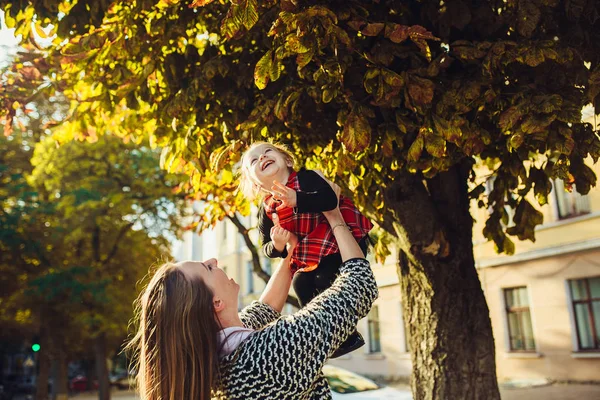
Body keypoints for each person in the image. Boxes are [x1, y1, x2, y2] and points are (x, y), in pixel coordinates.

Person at [127, 177, 378, 400]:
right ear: (215, 303)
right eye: (207, 268)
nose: (213, 260)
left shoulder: (215, 355)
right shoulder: (272, 353)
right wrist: (335, 217)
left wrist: (291, 256)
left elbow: (264, 309)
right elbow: (358, 286)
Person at [239, 141, 373, 357]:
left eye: (267, 152)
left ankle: (348, 331)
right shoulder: (267, 210)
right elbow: (265, 247)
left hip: (338, 239)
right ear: (255, 184)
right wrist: (277, 245)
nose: (262, 158)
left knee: (323, 279)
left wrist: (297, 199)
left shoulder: (307, 178)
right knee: (301, 282)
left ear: (288, 161)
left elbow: (330, 199)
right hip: (312, 252)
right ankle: (331, 337)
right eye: (254, 160)